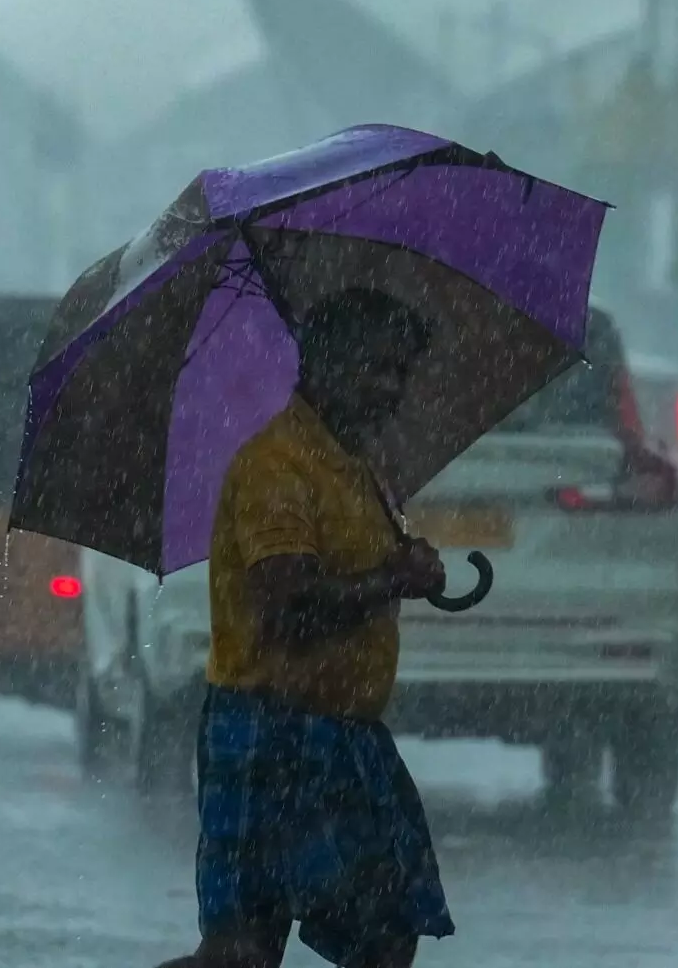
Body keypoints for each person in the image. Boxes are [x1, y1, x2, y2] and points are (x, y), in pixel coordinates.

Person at [157, 288, 455, 968]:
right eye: (377, 368)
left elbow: (360, 575)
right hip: (270, 729)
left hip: (346, 734)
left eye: (401, 372)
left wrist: (407, 566)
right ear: (322, 363)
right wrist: (394, 579)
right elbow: (287, 606)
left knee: (383, 933)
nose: (392, 388)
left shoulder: (354, 464)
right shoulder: (277, 466)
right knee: (243, 953)